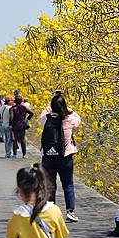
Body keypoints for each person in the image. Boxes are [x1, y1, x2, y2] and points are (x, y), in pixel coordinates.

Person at [6, 163, 69, 238]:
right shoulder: (54, 211)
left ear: (19, 190)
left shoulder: (17, 217)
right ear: (42, 187)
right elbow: (61, 237)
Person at [40, 91, 81, 223]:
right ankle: (70, 211)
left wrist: (51, 106)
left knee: (50, 185)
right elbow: (77, 118)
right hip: (65, 157)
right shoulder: (69, 120)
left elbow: (42, 115)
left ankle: (51, 211)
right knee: (68, 184)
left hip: (48, 157)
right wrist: (67, 108)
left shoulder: (46, 118)